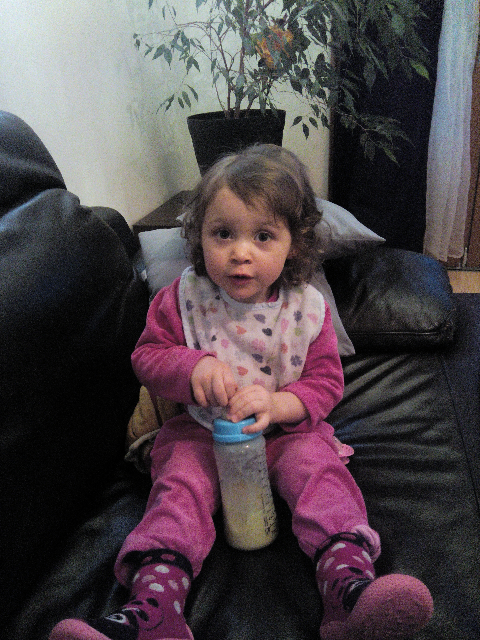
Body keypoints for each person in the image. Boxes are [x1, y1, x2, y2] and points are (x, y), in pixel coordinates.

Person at [50, 144, 433, 640]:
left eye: (263, 236)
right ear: (199, 236)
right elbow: (147, 356)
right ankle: (154, 610)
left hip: (286, 435)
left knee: (321, 477)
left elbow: (325, 383)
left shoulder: (306, 309)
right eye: (223, 233)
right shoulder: (183, 298)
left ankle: (349, 592)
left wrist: (279, 404)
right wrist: (191, 367)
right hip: (202, 433)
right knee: (178, 491)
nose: (240, 252)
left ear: (294, 244)